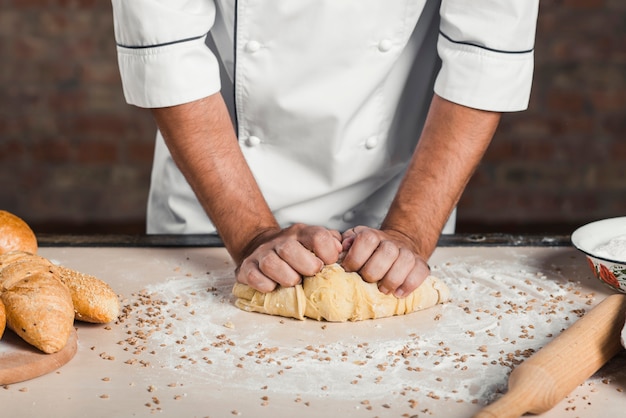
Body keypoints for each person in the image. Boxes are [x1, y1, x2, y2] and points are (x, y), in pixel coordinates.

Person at [111, 0, 539, 298]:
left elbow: (484, 56)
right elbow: (169, 51)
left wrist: (408, 233)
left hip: (397, 197)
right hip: (213, 207)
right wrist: (252, 235)